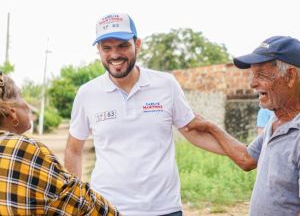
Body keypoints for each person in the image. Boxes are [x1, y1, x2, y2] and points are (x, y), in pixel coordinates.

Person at [64, 13, 224, 216]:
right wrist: (75, 200)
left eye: (122, 45)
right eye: (107, 48)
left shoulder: (166, 84)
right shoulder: (88, 93)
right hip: (107, 207)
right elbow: (73, 149)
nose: (114, 54)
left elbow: (192, 130)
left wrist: (242, 154)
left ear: (137, 44)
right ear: (99, 50)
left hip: (164, 208)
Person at [186, 36, 300, 216]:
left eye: (261, 74)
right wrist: (209, 127)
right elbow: (247, 158)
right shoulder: (275, 121)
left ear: (290, 76)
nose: (252, 83)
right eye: (252, 74)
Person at [0, 71, 120, 216]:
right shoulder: (22, 149)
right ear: (11, 111)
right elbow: (81, 203)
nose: (27, 105)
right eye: (21, 96)